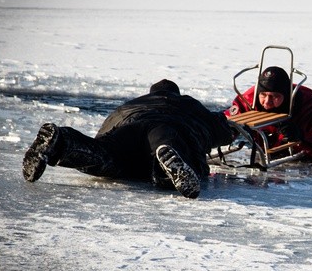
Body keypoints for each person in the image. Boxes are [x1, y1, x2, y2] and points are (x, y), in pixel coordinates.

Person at [22, 79, 234, 198]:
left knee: (103, 155)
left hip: (128, 125)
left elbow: (106, 128)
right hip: (167, 128)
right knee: (176, 153)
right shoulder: (190, 104)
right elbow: (222, 130)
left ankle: (63, 142)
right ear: (176, 93)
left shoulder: (132, 102)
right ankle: (165, 165)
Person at [226, 66, 312, 163]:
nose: (267, 102)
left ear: (287, 96)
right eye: (263, 95)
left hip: (303, 162)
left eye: (275, 97)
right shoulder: (248, 99)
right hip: (266, 153)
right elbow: (226, 122)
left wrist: (301, 136)